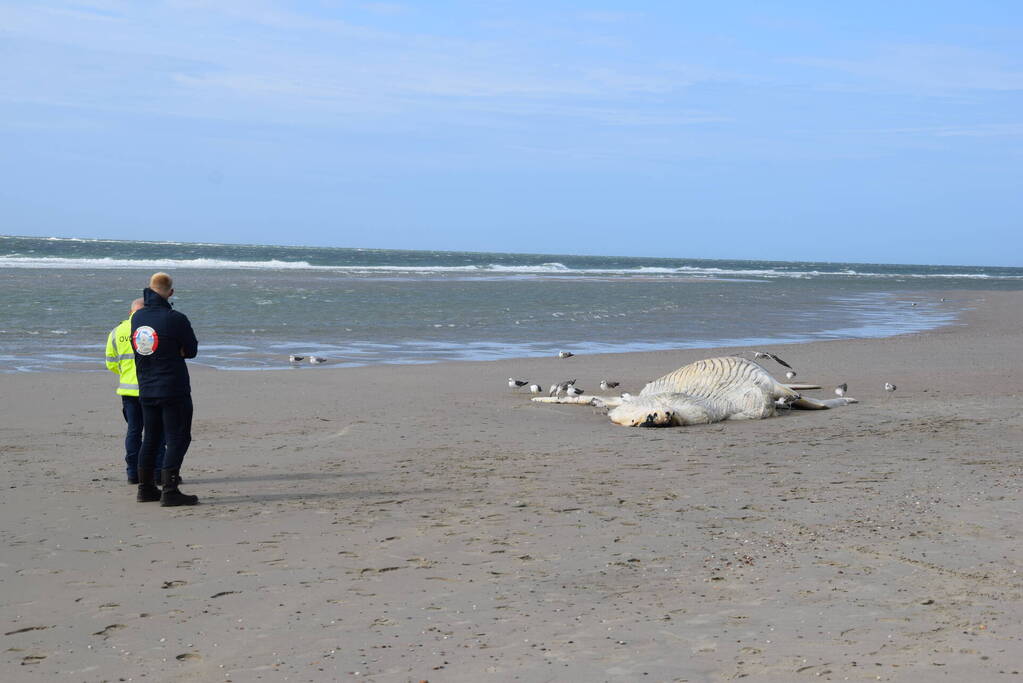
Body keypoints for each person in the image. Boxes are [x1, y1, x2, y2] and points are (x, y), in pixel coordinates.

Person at [131, 272, 199, 506]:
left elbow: (141, 348)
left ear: (149, 289)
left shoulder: (137, 318)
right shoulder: (176, 318)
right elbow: (190, 350)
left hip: (146, 387)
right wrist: (174, 349)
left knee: (151, 437)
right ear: (171, 292)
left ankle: (146, 488)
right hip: (172, 387)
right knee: (178, 437)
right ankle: (170, 489)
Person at [105, 298, 166, 484]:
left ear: (130, 312)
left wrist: (126, 374)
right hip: (152, 389)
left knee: (134, 431)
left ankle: (133, 473)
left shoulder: (117, 332)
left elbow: (111, 363)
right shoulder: (151, 332)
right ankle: (157, 473)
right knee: (156, 432)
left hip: (128, 390)